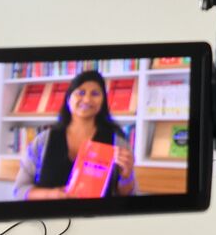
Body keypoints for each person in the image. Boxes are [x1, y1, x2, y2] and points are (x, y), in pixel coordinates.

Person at [13, 70, 138, 200]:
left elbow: (129, 196)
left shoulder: (117, 143)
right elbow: (20, 190)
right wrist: (53, 194)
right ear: (68, 99)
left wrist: (126, 176)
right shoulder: (43, 140)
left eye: (95, 94)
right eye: (81, 92)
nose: (87, 99)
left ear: (103, 102)